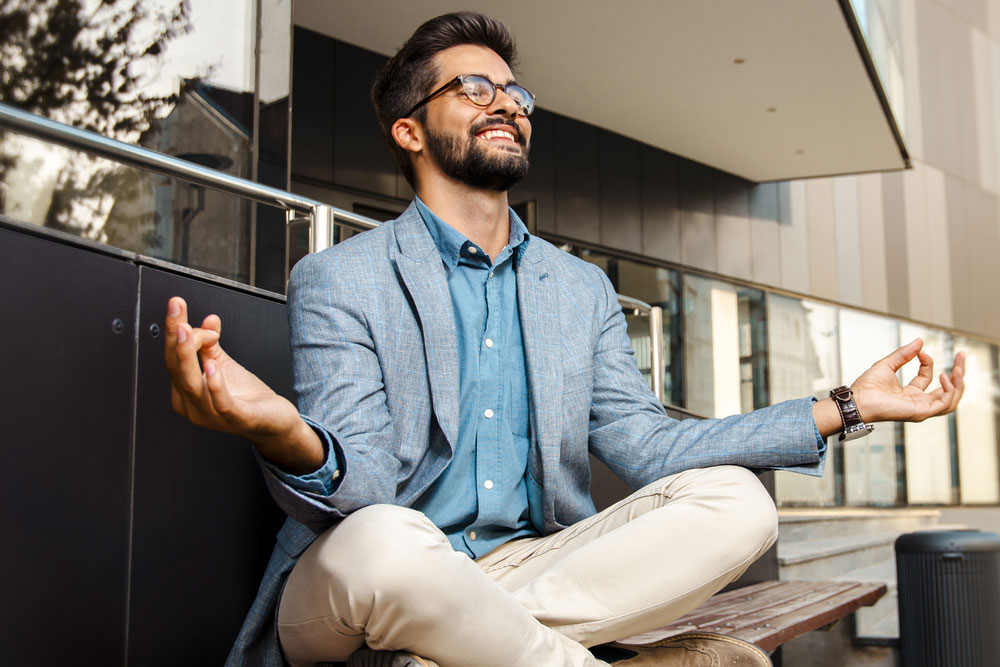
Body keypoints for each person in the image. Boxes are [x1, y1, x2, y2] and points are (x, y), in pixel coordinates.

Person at [163, 12, 965, 667]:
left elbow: (647, 446)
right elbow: (365, 487)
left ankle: (457, 650)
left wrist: (845, 404)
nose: (508, 103)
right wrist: (286, 431)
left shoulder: (577, 289)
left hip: (537, 565)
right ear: (409, 133)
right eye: (476, 88)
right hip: (366, 580)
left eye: (516, 92)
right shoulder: (342, 277)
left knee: (739, 502)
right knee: (385, 540)